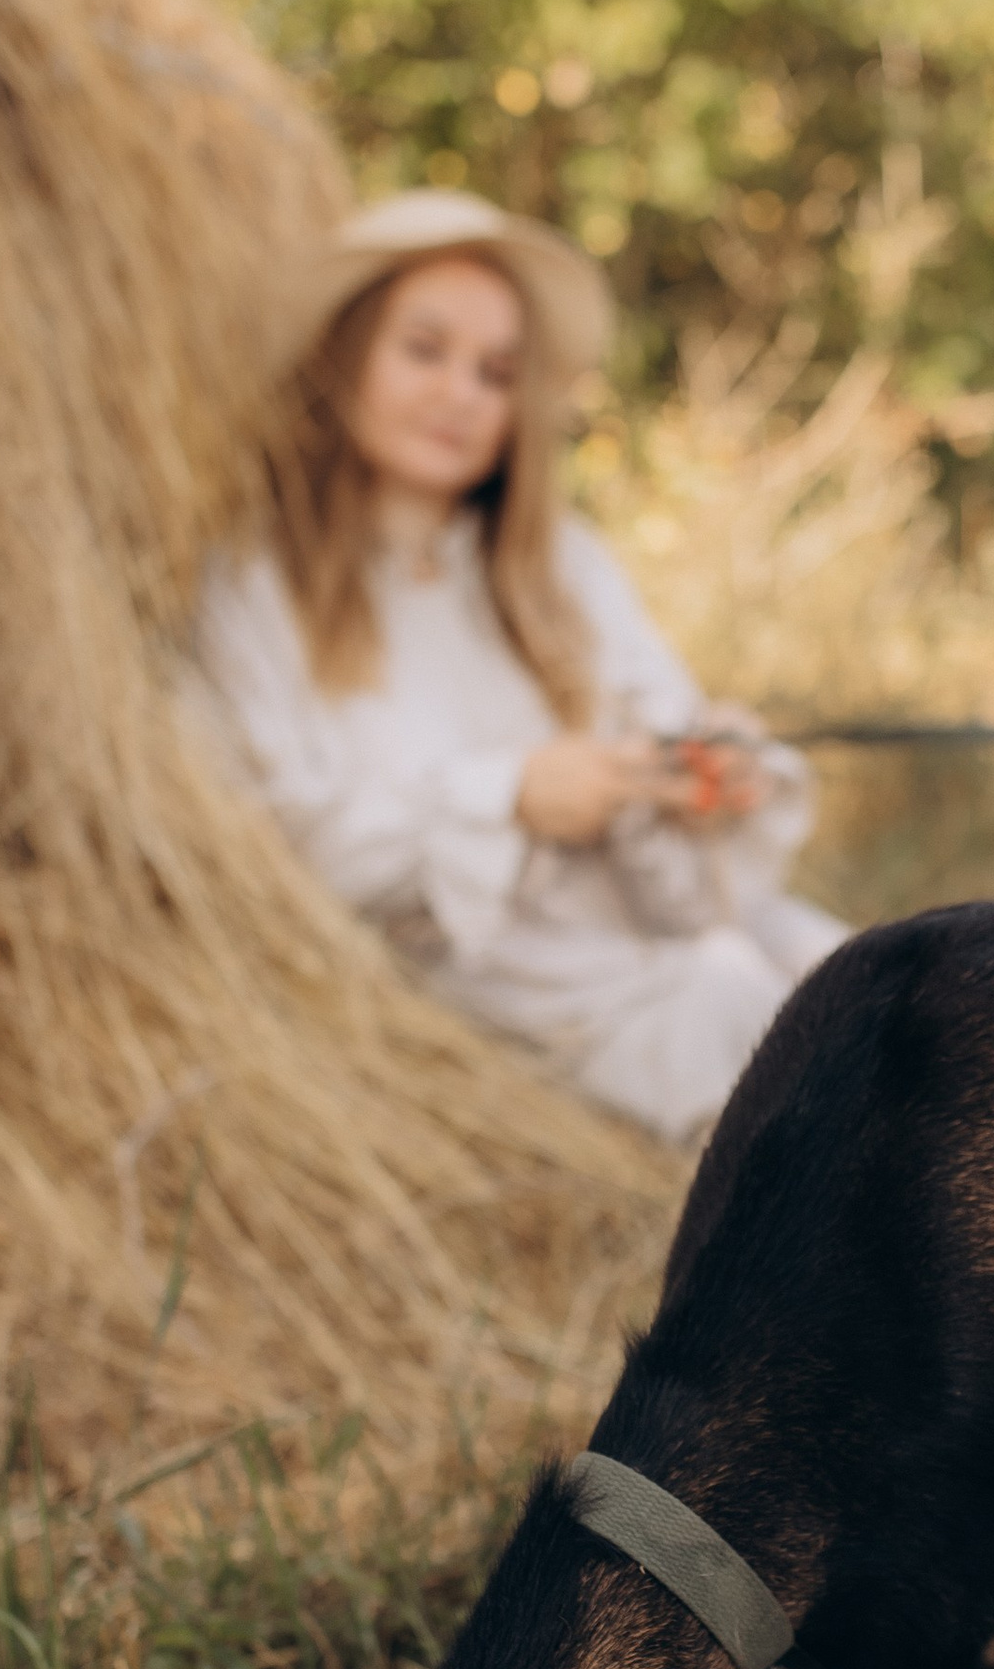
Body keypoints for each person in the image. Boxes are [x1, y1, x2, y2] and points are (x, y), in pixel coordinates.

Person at [195, 189, 845, 1144]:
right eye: (425, 351)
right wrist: (513, 797)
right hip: (473, 983)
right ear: (345, 355)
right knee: (736, 1001)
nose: (460, 394)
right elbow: (276, 845)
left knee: (859, 972)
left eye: (496, 373)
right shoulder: (253, 589)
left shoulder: (561, 565)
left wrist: (709, 769)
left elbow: (659, 717)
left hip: (636, 929)